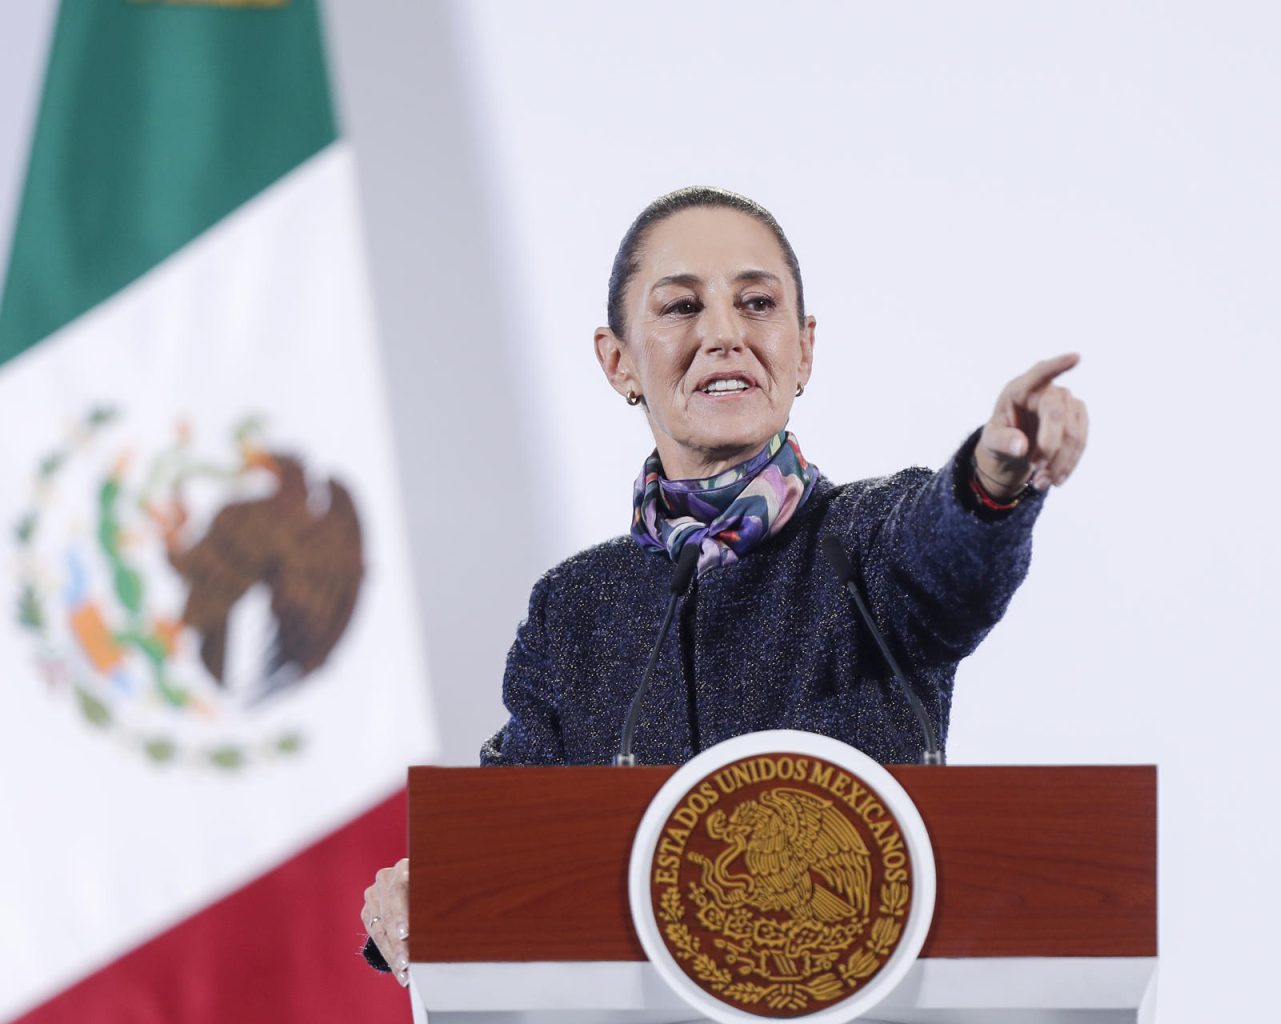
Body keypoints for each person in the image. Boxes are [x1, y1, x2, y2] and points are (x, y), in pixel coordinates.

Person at [359, 186, 1089, 985]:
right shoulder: (576, 608)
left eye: (756, 302)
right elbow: (511, 842)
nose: (723, 335)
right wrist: (430, 888)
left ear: (804, 348)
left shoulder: (866, 541)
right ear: (617, 360)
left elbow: (950, 547)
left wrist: (992, 474)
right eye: (680, 308)